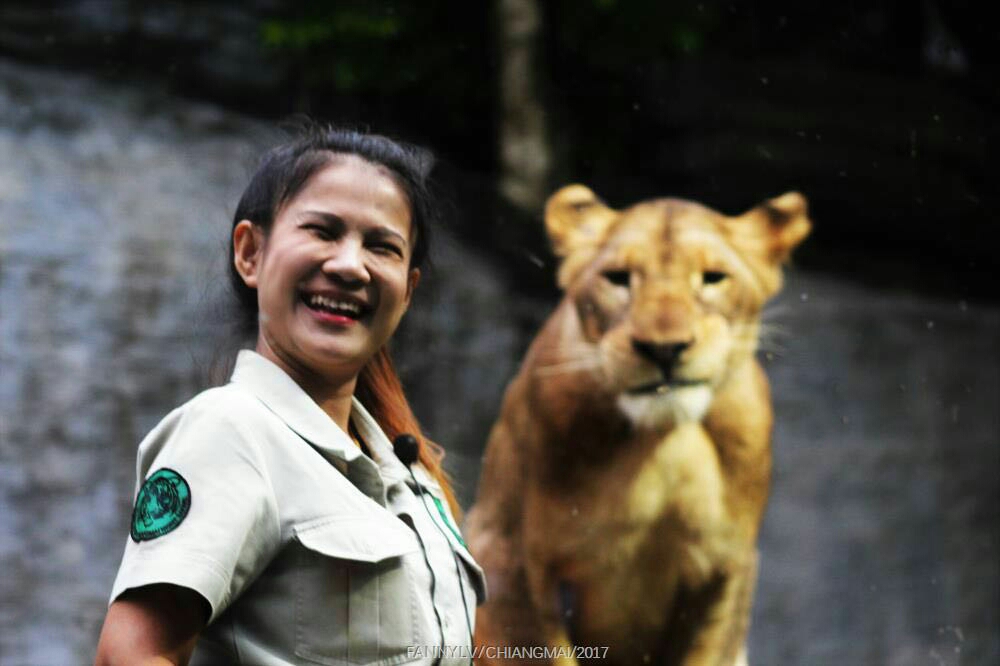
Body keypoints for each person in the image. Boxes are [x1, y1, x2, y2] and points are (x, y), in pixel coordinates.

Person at [95, 126, 486, 665]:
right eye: (323, 231)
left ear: (408, 290)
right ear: (250, 253)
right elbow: (131, 657)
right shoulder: (230, 432)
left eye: (382, 246)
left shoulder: (414, 481)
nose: (351, 265)